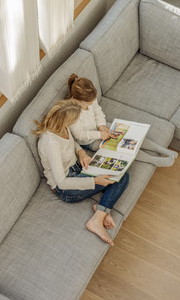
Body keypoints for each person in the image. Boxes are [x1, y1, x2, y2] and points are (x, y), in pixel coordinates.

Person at [33, 99, 129, 246]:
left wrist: (81, 153)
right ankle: (96, 220)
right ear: (67, 121)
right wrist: (95, 181)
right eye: (76, 119)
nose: (78, 120)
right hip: (65, 188)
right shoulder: (51, 143)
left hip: (77, 168)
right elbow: (62, 182)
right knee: (120, 179)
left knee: (120, 173)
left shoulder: (62, 127)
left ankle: (100, 210)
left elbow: (71, 142)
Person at [66, 73, 178, 167]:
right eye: (88, 103)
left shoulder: (89, 96)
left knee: (129, 135)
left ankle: (161, 150)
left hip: (100, 129)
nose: (91, 103)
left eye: (92, 101)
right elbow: (80, 135)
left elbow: (97, 111)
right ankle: (153, 160)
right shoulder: (71, 113)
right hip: (89, 140)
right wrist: (100, 135)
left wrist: (101, 126)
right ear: (76, 100)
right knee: (120, 147)